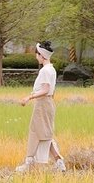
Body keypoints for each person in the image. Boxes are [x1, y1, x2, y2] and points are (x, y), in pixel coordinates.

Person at [15, 41, 66, 173]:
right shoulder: (52, 70)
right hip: (48, 103)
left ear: (42, 55)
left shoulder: (45, 71)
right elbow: (51, 91)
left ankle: (29, 162)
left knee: (36, 132)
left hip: (43, 104)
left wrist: (29, 97)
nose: (35, 57)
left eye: (37, 54)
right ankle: (59, 161)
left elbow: (45, 89)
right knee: (45, 134)